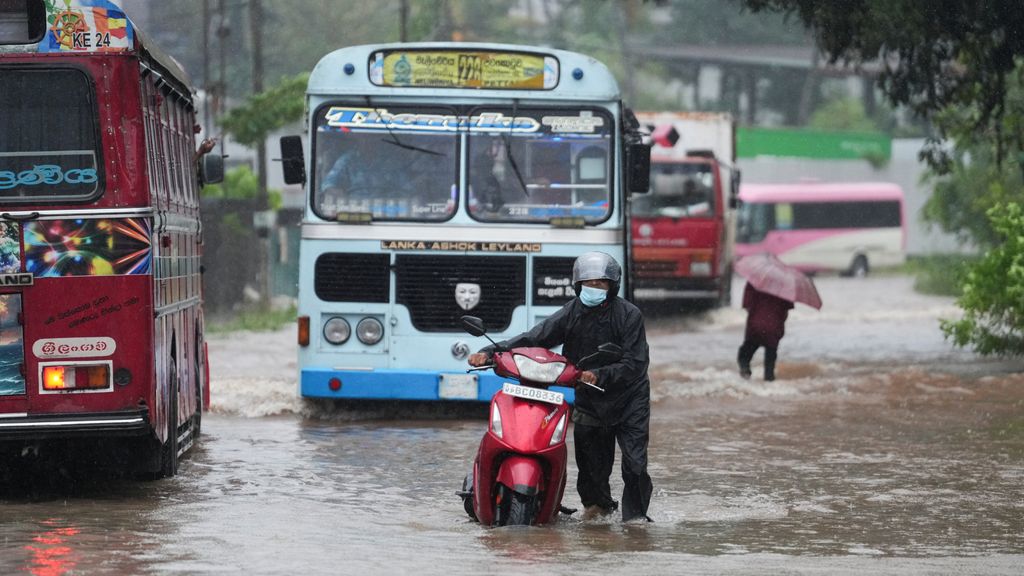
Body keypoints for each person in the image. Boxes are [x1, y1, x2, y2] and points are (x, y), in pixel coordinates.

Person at [468, 252, 653, 522]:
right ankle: (598, 513)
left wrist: (598, 375)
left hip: (629, 399)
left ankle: (636, 521)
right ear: (578, 285)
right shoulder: (572, 312)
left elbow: (635, 363)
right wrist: (490, 352)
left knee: (635, 465)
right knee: (591, 470)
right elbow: (535, 337)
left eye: (600, 283)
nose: (594, 288)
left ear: (613, 286)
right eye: (588, 283)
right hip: (589, 398)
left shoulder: (629, 315)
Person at [737, 281, 794, 381]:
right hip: (774, 329)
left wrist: (757, 314)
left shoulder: (754, 282)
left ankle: (745, 374)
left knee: (743, 356)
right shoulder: (785, 285)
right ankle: (769, 384)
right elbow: (786, 310)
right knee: (769, 367)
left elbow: (747, 306)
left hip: (755, 327)